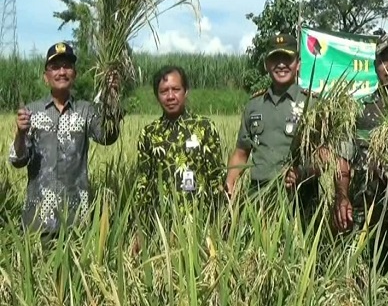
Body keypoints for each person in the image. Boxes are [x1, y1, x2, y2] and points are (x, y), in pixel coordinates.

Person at [333, 31, 388, 297]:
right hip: (365, 218)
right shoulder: (359, 111)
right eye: (384, 59)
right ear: (375, 66)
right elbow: (343, 160)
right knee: (363, 291)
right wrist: (341, 196)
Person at [9, 42, 121, 237]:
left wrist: (112, 97)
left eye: (67, 66)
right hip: (38, 220)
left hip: (76, 219)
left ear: (74, 74)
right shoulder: (31, 112)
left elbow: (108, 137)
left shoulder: (86, 111)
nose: (62, 71)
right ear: (46, 76)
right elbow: (18, 160)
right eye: (55, 67)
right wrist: (20, 132)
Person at [225, 33, 322, 217]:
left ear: (298, 64)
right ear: (266, 65)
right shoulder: (254, 105)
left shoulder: (313, 104)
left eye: (287, 58)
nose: (281, 64)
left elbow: (326, 154)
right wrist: (229, 188)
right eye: (275, 59)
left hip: (300, 201)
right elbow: (241, 153)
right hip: (260, 202)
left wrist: (304, 172)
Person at [134, 66, 225, 211]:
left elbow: (217, 177)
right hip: (162, 225)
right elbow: (143, 183)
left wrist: (223, 220)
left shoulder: (204, 127)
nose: (170, 96)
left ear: (186, 91)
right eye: (164, 91)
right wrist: (138, 226)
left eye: (176, 89)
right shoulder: (149, 133)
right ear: (157, 96)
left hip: (200, 222)